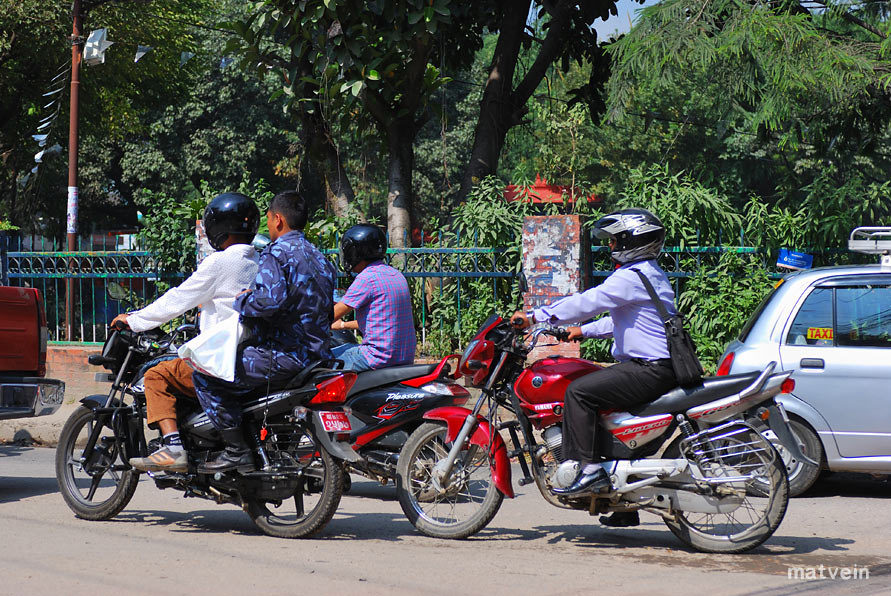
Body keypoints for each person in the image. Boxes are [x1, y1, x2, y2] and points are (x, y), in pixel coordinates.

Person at [511, 208, 678, 527]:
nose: (611, 246)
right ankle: (622, 506)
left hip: (648, 369)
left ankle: (588, 472)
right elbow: (624, 320)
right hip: (657, 366)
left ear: (634, 240)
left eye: (616, 240)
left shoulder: (630, 277)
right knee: (603, 415)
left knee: (579, 393)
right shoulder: (648, 273)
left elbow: (589, 302)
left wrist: (537, 316)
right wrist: (581, 331)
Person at [193, 190, 337, 472]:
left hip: (286, 356)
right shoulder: (320, 257)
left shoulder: (277, 253)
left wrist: (242, 299)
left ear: (279, 220)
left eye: (269, 219)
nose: (267, 226)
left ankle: (236, 450)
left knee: (206, 373)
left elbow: (270, 301)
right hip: (319, 357)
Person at [118, 192, 260, 473]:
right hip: (253, 355)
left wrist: (134, 320)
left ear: (216, 228)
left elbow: (178, 299)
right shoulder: (260, 259)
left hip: (221, 358)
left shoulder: (220, 263)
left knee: (156, 375)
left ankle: (172, 447)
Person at [331, 224, 416, 372]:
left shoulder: (367, 278)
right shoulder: (396, 275)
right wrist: (343, 325)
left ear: (355, 252)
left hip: (376, 358)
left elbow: (329, 316)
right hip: (403, 357)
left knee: (318, 361)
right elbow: (380, 321)